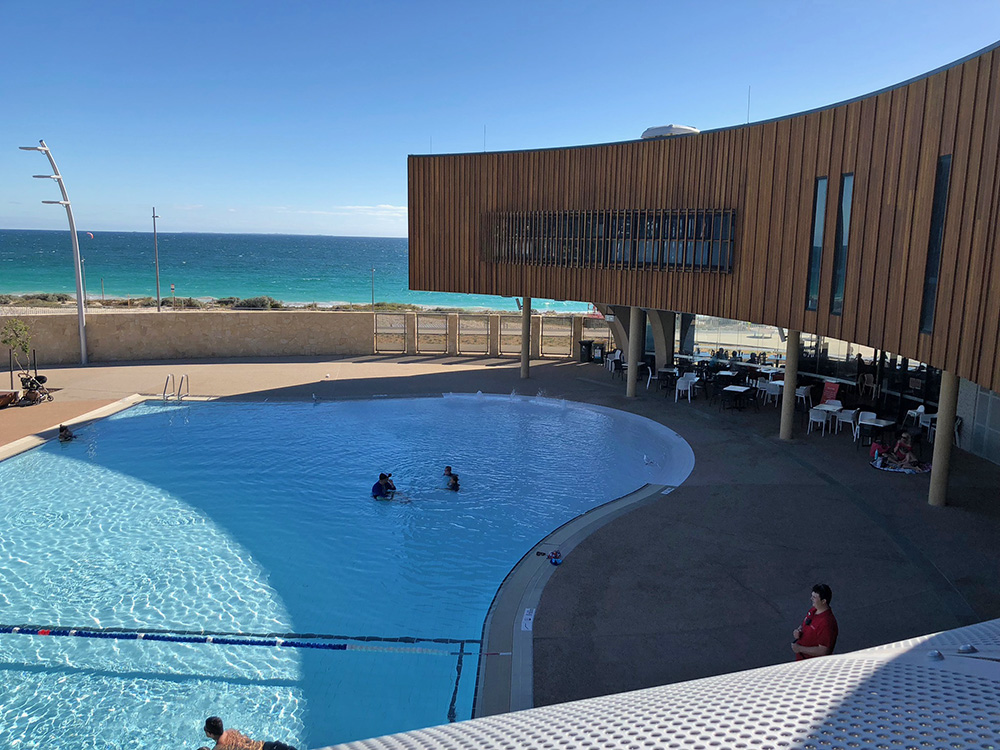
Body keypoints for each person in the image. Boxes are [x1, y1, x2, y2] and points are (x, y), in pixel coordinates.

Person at [791, 583, 838, 660]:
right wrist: (798, 631)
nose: (811, 599)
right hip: (802, 660)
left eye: (814, 597)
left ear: (823, 601)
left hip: (812, 664)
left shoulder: (826, 623)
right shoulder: (813, 610)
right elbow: (805, 625)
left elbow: (824, 650)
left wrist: (800, 648)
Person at [203, 716, 297, 750]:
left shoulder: (218, 748)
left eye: (205, 729)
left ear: (210, 734)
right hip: (267, 746)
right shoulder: (232, 731)